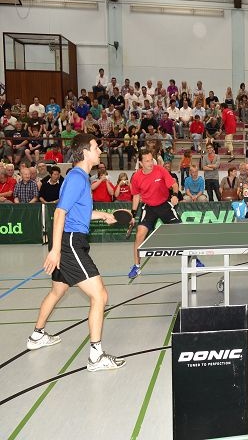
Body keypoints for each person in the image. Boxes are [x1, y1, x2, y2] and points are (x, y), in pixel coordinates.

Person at [30, 133, 125, 371]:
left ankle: (37, 336)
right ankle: (96, 357)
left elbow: (78, 213)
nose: (100, 151)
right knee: (100, 295)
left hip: (70, 240)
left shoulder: (80, 177)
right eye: (96, 147)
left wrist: (103, 215)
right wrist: (55, 250)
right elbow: (59, 212)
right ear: (84, 152)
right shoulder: (76, 178)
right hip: (70, 243)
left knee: (57, 291)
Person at [128, 149, 204, 279]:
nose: (150, 163)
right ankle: (136, 266)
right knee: (139, 235)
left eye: (151, 160)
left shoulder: (160, 170)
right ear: (140, 163)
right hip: (149, 207)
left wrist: (174, 195)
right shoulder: (136, 177)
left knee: (181, 232)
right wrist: (133, 214)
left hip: (164, 205)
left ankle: (194, 259)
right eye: (147, 161)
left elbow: (174, 185)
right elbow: (136, 196)